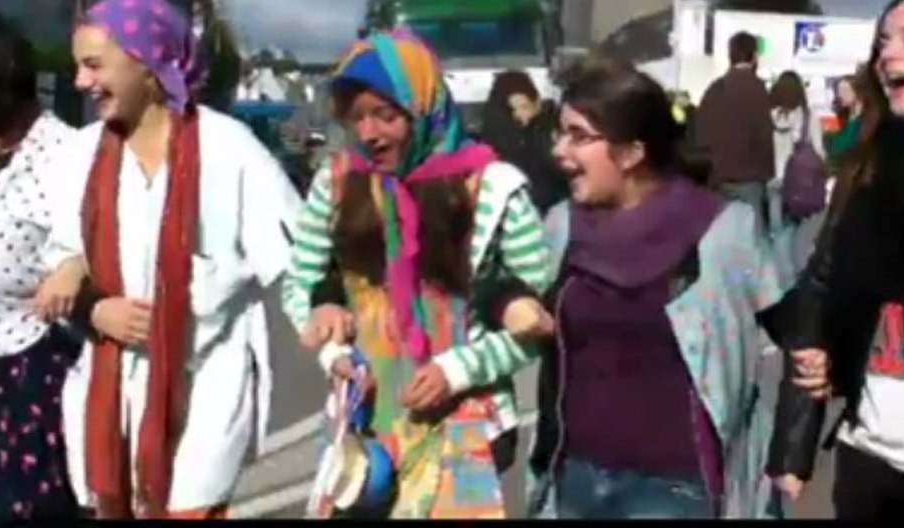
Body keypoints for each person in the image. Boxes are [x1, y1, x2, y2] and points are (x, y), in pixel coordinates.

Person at [33, 0, 299, 519]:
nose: (81, 83)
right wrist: (91, 305)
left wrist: (332, 332)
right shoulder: (78, 155)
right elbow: (61, 258)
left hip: (204, 387)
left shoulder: (231, 150)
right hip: (109, 394)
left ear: (148, 66)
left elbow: (298, 263)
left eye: (93, 65)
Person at [282, 30, 552, 518]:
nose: (369, 133)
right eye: (357, 117)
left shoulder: (494, 187)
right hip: (366, 429)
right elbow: (300, 281)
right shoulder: (338, 183)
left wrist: (458, 370)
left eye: (386, 115)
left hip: (467, 424)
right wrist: (331, 344)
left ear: (423, 107)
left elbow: (540, 318)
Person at [526, 58, 790, 519]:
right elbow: (505, 306)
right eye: (559, 133)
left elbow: (802, 337)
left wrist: (791, 454)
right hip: (576, 478)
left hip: (676, 489)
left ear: (631, 153)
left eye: (579, 136)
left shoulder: (723, 231)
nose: (559, 151)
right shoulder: (560, 227)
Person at [768, 0, 904, 519]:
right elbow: (821, 290)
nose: (889, 55)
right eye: (884, 42)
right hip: (869, 457)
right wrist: (794, 446)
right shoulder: (867, 172)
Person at [0, 12, 81, 522]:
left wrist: (75, 265)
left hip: (27, 361)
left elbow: (104, 233)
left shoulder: (64, 152)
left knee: (27, 507)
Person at [694, 31, 775, 233]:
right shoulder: (757, 89)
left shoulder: (714, 89)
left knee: (720, 240)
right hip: (749, 179)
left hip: (717, 177)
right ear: (754, 56)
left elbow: (700, 132)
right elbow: (764, 136)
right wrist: (768, 173)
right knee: (751, 243)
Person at [766, 70, 827, 286]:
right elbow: (819, 153)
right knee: (800, 240)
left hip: (773, 182)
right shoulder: (809, 118)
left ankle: (779, 283)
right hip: (801, 186)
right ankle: (796, 283)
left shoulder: (767, 116)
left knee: (777, 236)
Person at [481, 70, 568, 216]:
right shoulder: (508, 136)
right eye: (513, 110)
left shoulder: (549, 130)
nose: (519, 115)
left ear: (537, 103)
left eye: (524, 107)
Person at [826, 69, 866, 169]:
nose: (840, 95)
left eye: (845, 91)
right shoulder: (842, 116)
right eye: (839, 91)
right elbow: (836, 147)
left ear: (857, 92)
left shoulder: (867, 119)